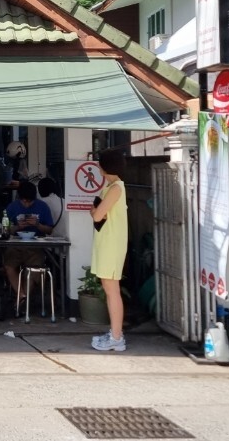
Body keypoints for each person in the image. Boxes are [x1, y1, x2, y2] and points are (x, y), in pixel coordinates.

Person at [90, 149, 129, 352]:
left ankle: (116, 337)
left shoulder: (115, 188)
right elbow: (98, 213)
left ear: (104, 166)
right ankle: (115, 333)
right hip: (107, 242)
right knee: (109, 288)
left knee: (112, 290)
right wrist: (96, 211)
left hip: (112, 244)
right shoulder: (111, 187)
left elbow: (97, 216)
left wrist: (96, 211)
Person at [1, 181, 55, 308]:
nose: (26, 204)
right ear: (19, 198)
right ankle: (21, 295)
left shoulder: (42, 207)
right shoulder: (12, 207)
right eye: (24, 201)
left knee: (34, 269)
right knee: (9, 266)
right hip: (16, 244)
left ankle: (21, 300)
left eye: (29, 202)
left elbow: (49, 230)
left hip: (36, 245)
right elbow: (5, 230)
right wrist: (17, 227)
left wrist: (37, 225)